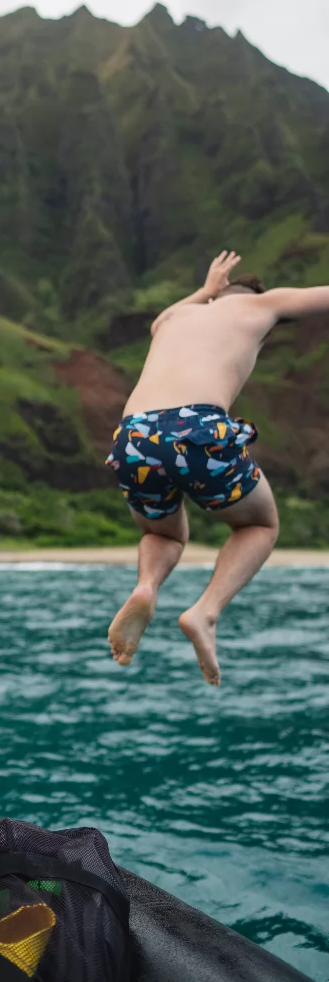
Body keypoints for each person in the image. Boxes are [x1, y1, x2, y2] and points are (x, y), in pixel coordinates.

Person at [105, 250, 329, 687]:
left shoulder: (175, 320)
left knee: (161, 532)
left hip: (132, 434)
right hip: (197, 425)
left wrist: (205, 291)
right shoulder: (262, 305)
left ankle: (147, 587)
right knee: (260, 526)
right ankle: (204, 613)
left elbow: (160, 320)